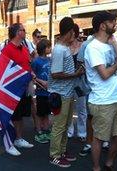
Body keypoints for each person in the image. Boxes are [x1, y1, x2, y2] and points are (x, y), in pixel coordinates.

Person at [84, 11, 117, 171]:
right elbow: (104, 74)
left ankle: (109, 163)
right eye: (112, 21)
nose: (115, 23)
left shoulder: (111, 42)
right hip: (101, 101)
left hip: (115, 98)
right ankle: (96, 168)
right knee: (99, 138)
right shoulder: (93, 48)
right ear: (102, 25)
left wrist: (114, 42)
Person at [48, 17, 84, 168]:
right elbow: (55, 74)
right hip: (61, 95)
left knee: (65, 124)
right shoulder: (59, 50)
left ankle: (61, 151)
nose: (75, 36)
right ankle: (54, 155)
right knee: (59, 126)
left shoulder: (64, 48)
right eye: (74, 33)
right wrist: (75, 74)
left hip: (66, 94)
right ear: (69, 32)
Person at [1, 23, 34, 156]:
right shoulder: (7, 49)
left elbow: (28, 64)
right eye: (22, 30)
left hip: (25, 86)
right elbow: (3, 69)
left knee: (20, 115)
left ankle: (19, 138)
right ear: (16, 33)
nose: (25, 31)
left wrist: (32, 73)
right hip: (13, 89)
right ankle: (11, 141)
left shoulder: (25, 48)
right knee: (13, 116)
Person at [67, 24, 88, 142]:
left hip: (80, 82)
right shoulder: (65, 48)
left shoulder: (83, 46)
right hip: (68, 81)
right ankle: (69, 131)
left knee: (81, 108)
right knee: (68, 107)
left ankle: (82, 132)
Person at [31, 39, 52, 144]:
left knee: (47, 113)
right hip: (40, 92)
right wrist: (41, 81)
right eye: (48, 47)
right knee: (40, 113)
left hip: (49, 92)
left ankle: (46, 130)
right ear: (43, 49)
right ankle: (39, 132)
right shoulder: (36, 61)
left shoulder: (50, 60)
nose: (50, 49)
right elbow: (32, 76)